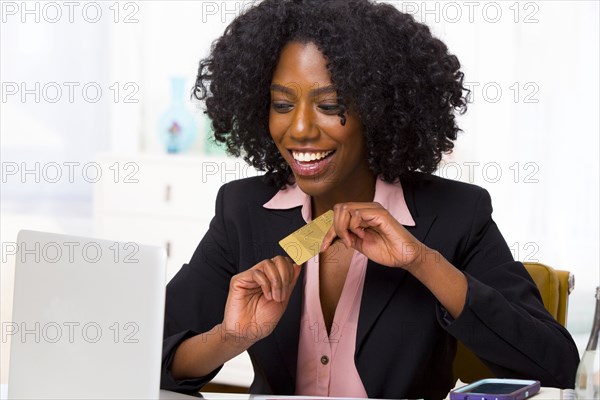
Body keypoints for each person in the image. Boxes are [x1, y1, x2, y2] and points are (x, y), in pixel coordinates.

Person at [160, 1, 579, 398]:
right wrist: (232, 337)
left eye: (330, 105)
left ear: (380, 108)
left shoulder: (454, 214)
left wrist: (422, 261)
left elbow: (555, 366)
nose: (301, 129)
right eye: (282, 104)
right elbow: (149, 355)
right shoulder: (243, 210)